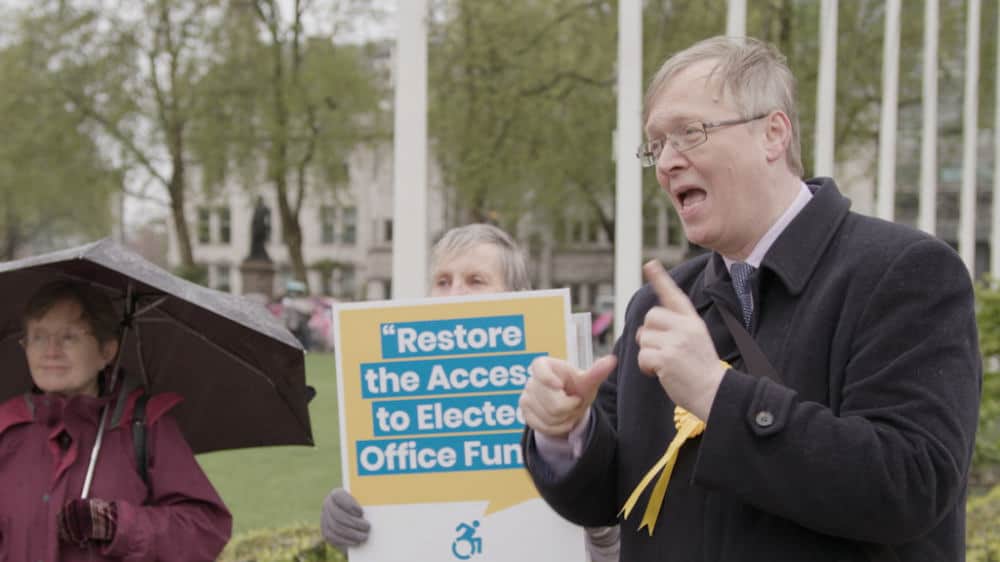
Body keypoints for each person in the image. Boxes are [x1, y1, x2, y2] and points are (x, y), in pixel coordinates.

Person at [519, 36, 981, 561]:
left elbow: (911, 484)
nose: (667, 162)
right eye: (656, 144)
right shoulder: (659, 305)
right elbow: (607, 499)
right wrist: (566, 432)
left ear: (773, 133)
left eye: (689, 133)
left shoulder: (904, 271)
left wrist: (720, 396)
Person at [321, 223, 620, 561]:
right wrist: (353, 522)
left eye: (475, 281)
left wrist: (598, 518)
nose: (455, 295)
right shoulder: (399, 399)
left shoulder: (568, 402)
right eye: (443, 282)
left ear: (520, 297)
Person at [0, 281, 232, 561]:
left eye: (69, 337)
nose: (51, 351)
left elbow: (205, 529)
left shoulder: (145, 425)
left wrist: (117, 524)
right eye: (38, 336)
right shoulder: (7, 428)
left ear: (107, 351)